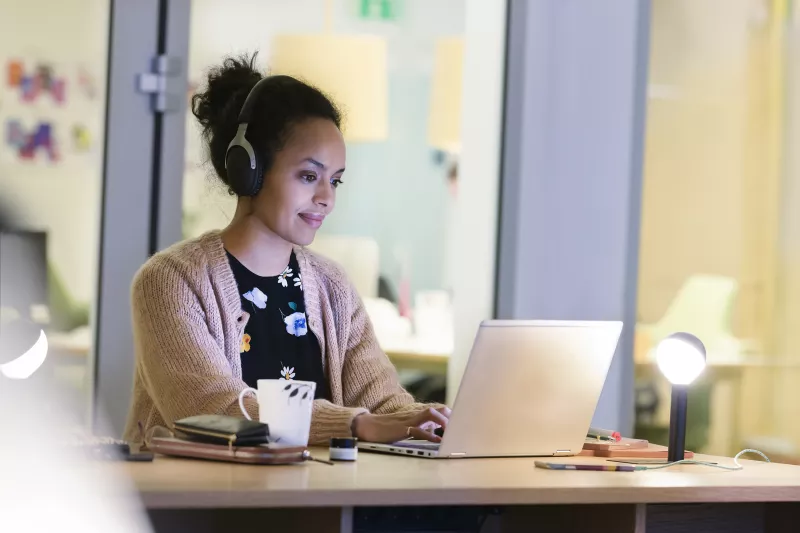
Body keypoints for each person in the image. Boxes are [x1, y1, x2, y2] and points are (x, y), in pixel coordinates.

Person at [123, 54, 450, 445]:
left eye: (336, 181)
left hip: (309, 497)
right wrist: (354, 425)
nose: (326, 197)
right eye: (309, 176)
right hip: (196, 501)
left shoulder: (332, 286)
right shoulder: (170, 281)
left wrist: (433, 419)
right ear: (250, 169)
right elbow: (211, 410)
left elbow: (381, 403)